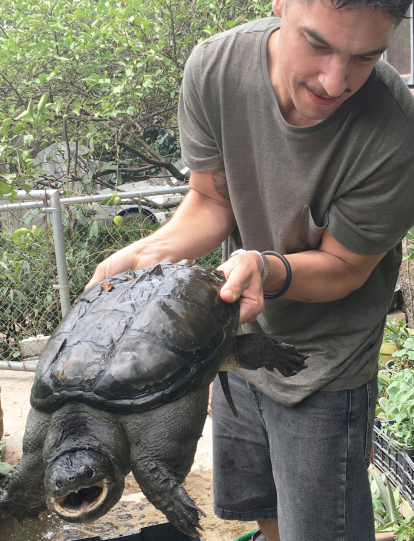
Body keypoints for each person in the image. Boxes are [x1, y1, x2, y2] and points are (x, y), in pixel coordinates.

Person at [86, 0, 414, 538]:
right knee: (266, 516)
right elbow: (212, 201)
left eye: (365, 57)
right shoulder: (214, 69)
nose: (335, 81)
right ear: (280, 3)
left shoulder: (395, 130)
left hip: (326, 363)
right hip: (233, 336)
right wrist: (151, 251)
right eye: (317, 43)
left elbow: (345, 267)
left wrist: (267, 267)